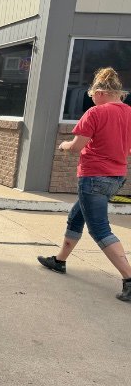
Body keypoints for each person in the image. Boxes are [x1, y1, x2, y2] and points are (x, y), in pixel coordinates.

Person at [38, 67, 131, 301]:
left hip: (94, 177)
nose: (92, 99)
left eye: (91, 95)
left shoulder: (95, 113)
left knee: (99, 228)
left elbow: (77, 146)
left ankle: (129, 278)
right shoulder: (129, 113)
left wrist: (64, 145)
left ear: (99, 92)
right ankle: (59, 261)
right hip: (116, 177)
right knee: (77, 216)